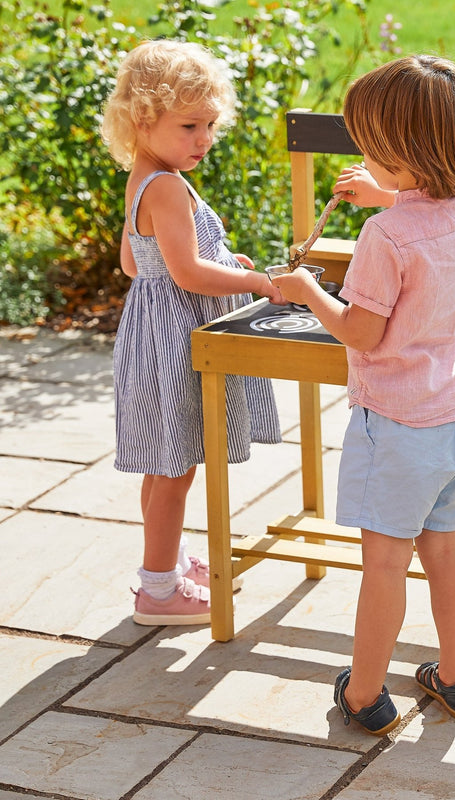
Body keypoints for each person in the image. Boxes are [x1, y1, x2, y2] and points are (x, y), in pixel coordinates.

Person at [272, 54, 455, 736]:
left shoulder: (384, 236)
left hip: (395, 424)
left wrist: (307, 289)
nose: (362, 155)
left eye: (370, 147)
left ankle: (365, 694)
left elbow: (362, 333)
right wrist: (388, 192)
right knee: (444, 549)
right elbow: (429, 226)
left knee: (385, 566)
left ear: (401, 154)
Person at [100, 40, 286, 626]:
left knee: (164, 461)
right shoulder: (168, 186)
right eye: (189, 126)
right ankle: (158, 592)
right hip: (179, 342)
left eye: (209, 125)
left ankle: (169, 563)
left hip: (151, 335)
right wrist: (255, 281)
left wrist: (219, 259)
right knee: (176, 469)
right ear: (142, 119)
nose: (203, 139)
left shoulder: (145, 176)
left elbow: (134, 263)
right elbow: (186, 273)